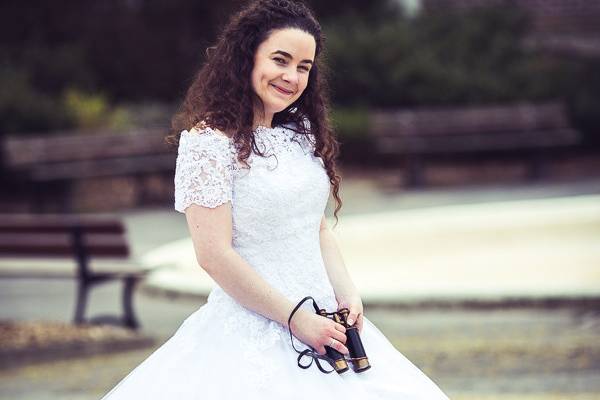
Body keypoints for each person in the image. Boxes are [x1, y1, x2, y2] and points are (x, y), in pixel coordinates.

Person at [100, 0, 450, 398]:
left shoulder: (300, 134)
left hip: (324, 322)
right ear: (246, 57)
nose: (292, 76)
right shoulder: (208, 143)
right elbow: (213, 254)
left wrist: (347, 292)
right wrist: (294, 319)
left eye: (303, 67)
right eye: (280, 60)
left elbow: (315, 227)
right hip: (255, 326)